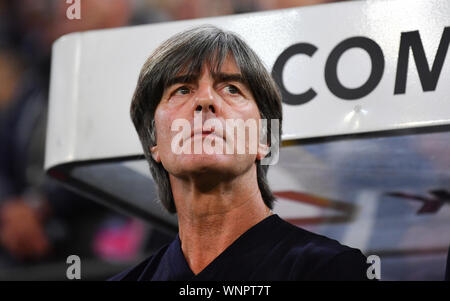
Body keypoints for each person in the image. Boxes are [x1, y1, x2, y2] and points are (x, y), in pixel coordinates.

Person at [110, 25, 370, 281]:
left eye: (232, 88)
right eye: (182, 90)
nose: (205, 100)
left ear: (264, 139)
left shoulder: (332, 270)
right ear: (154, 141)